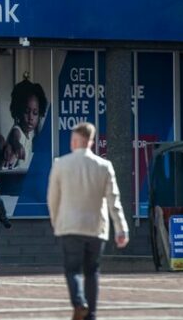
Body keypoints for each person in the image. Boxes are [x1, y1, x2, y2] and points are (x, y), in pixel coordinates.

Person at [47, 122, 129, 320]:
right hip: (96, 228)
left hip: (69, 227)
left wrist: (56, 222)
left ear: (76, 141)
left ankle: (79, 302)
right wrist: (121, 228)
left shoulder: (60, 164)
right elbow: (114, 200)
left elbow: (52, 199)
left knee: (72, 269)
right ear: (91, 142)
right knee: (92, 272)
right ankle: (91, 314)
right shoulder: (104, 166)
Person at [3, 77, 47, 169]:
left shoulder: (31, 132)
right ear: (19, 111)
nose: (31, 117)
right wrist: (17, 145)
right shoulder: (17, 129)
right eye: (26, 112)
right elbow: (15, 137)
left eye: (35, 113)